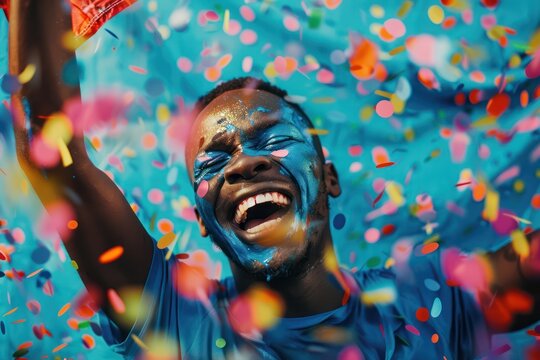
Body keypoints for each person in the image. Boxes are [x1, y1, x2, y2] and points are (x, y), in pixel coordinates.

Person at [7, 1, 540, 359]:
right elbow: (52, 151)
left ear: (327, 177)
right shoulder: (172, 319)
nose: (242, 164)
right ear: (202, 218)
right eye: (214, 163)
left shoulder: (428, 298)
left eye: (272, 139)